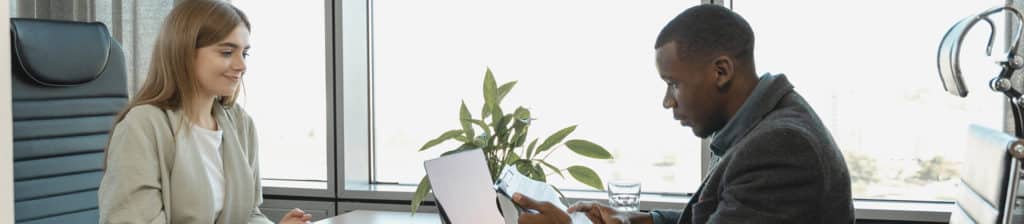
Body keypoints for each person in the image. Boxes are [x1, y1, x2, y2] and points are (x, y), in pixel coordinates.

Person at [514, 4, 854, 224]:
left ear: (721, 71)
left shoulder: (780, 146)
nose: (667, 101)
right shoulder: (764, 125)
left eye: (673, 84)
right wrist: (636, 220)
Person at [98, 0, 311, 223]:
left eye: (244, 54)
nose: (242, 65)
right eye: (227, 52)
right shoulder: (142, 127)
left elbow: (249, 214)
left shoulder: (240, 124)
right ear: (185, 54)